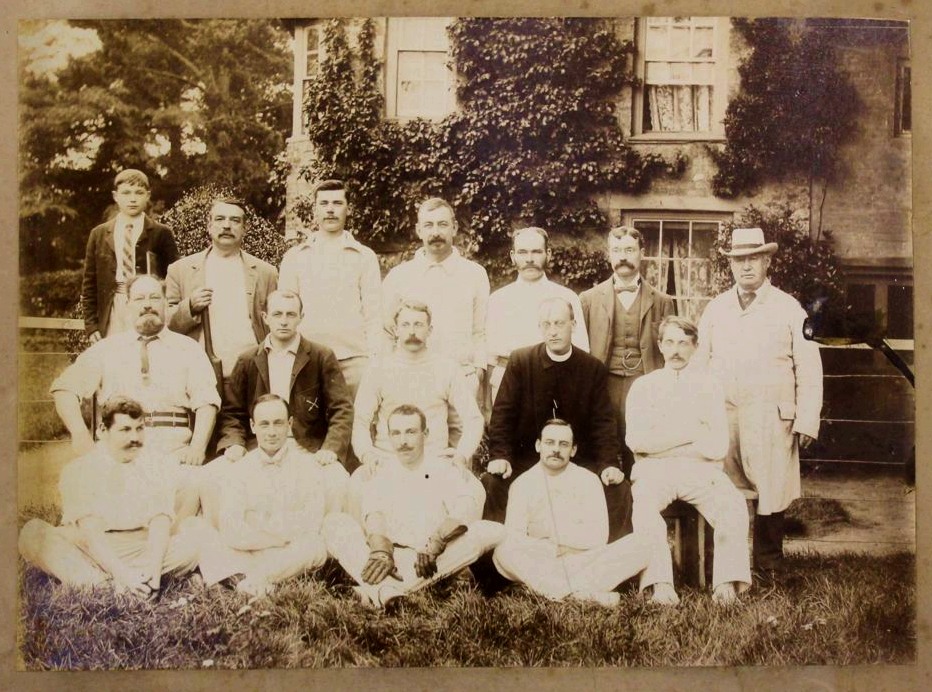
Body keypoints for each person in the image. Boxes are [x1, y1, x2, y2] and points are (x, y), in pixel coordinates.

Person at [693, 227, 823, 574]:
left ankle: (768, 567)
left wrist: (807, 418)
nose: (746, 266)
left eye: (753, 258)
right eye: (739, 260)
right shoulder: (716, 309)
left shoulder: (789, 308)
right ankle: (725, 567)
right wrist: (693, 413)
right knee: (724, 489)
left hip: (771, 418)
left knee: (770, 490)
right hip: (726, 416)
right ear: (731, 265)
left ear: (767, 261)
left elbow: (808, 367)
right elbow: (699, 362)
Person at [322, 405, 504, 609]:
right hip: (391, 560)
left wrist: (437, 540)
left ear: (425, 434)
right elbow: (374, 516)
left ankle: (378, 590)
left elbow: (464, 508)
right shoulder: (383, 471)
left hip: (434, 557)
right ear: (389, 437)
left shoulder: (443, 468)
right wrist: (381, 550)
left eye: (410, 432)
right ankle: (390, 590)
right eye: (396, 433)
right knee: (334, 522)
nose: (403, 441)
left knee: (487, 530)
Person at [626, 316, 752, 605]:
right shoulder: (643, 387)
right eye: (669, 342)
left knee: (732, 505)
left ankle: (725, 584)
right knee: (644, 508)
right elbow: (637, 441)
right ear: (659, 346)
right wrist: (692, 435)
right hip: (655, 471)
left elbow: (717, 446)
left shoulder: (709, 386)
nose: (676, 350)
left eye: (684, 343)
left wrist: (663, 442)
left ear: (695, 347)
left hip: (700, 471)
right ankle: (661, 585)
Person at [19, 396, 203, 595]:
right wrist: (124, 575)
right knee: (33, 534)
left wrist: (155, 574)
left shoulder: (155, 466)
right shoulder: (79, 470)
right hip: (93, 549)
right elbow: (91, 536)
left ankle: (116, 584)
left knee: (195, 539)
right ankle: (108, 585)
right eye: (125, 430)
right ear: (102, 431)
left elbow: (160, 524)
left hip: (139, 546)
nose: (135, 437)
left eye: (139, 428)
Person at [484, 297, 631, 541]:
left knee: (618, 488)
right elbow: (502, 416)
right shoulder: (521, 361)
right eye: (547, 324)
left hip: (578, 459)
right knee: (494, 482)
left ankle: (612, 567)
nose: (553, 332)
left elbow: (603, 423)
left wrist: (608, 464)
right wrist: (500, 455)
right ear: (540, 327)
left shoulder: (591, 368)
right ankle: (495, 571)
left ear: (573, 325)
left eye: (559, 324)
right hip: (528, 458)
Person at [209, 290, 352, 522]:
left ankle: (326, 545)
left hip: (305, 447)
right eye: (277, 314)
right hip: (258, 447)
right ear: (265, 317)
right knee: (214, 477)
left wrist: (330, 448)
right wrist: (234, 443)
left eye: (290, 314)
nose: (284, 321)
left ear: (301, 317)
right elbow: (232, 412)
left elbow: (341, 409)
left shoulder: (320, 356)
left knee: (337, 480)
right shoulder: (248, 360)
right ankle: (230, 542)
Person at [52, 274, 220, 469]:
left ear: (166, 304)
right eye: (140, 299)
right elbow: (64, 389)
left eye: (155, 297)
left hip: (173, 455)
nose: (147, 305)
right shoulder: (106, 349)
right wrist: (81, 436)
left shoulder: (188, 348)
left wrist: (197, 448)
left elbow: (207, 401)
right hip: (117, 455)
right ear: (127, 305)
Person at [493, 419, 662, 606]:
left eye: (563, 444)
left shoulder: (588, 481)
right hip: (542, 562)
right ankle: (582, 594)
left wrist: (552, 542)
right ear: (538, 445)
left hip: (584, 562)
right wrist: (556, 548)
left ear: (573, 450)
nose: (556, 449)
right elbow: (515, 537)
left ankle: (556, 591)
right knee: (503, 551)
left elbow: (598, 537)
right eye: (550, 442)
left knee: (643, 544)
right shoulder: (522, 484)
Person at [197, 395, 333, 598]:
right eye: (264, 424)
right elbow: (232, 530)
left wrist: (258, 527)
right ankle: (263, 581)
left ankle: (248, 581)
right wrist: (277, 535)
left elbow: (311, 523)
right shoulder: (239, 470)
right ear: (252, 426)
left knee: (315, 547)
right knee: (208, 539)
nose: (271, 432)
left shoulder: (307, 467)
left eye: (278, 423)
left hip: (289, 553)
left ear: (290, 424)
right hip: (250, 551)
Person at [579, 226, 675, 477]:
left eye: (630, 250)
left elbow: (671, 349)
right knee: (602, 447)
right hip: (603, 384)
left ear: (642, 253)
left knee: (641, 451)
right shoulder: (588, 299)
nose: (623, 256)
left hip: (644, 384)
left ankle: (641, 510)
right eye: (617, 250)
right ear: (609, 255)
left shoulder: (663, 301)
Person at [278, 179, 382, 400]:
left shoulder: (364, 256)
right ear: (315, 209)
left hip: (355, 361)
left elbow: (374, 313)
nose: (330, 209)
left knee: (358, 427)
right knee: (310, 428)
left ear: (348, 208)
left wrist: (374, 358)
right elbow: (285, 311)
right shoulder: (295, 257)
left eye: (337, 203)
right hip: (308, 360)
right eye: (324, 203)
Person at [352, 299, 483, 470]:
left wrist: (462, 455)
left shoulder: (447, 368)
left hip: (434, 463)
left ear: (430, 330)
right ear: (395, 330)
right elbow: (359, 420)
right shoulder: (378, 368)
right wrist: (367, 455)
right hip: (387, 462)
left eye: (419, 325)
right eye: (405, 325)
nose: (412, 332)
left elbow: (473, 419)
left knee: (472, 491)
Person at [381, 198, 490, 399]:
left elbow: (480, 332)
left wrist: (478, 373)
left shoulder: (475, 274)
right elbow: (387, 332)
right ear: (418, 230)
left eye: (443, 224)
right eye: (428, 225)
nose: (436, 232)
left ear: (455, 228)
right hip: (411, 378)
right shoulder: (398, 276)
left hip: (462, 377)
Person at [165, 196, 278, 388]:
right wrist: (190, 306)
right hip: (200, 372)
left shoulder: (266, 272)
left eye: (235, 220)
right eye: (219, 219)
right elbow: (166, 323)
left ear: (245, 228)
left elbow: (275, 322)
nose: (227, 226)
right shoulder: (180, 270)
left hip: (250, 372)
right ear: (209, 226)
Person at [486, 227, 589, 403]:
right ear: (513, 256)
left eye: (536, 252)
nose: (530, 259)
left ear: (548, 254)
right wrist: (488, 406)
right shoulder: (498, 299)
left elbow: (581, 353)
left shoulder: (567, 296)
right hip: (507, 383)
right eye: (523, 252)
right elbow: (489, 357)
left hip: (555, 382)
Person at [82, 168, 178, 342]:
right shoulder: (99, 234)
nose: (133, 199)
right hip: (114, 306)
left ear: (148, 196)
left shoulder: (161, 233)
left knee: (149, 352)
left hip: (148, 304)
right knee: (116, 357)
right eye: (126, 193)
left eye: (139, 193)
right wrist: (91, 325)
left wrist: (168, 313)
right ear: (115, 196)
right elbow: (89, 283)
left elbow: (173, 279)